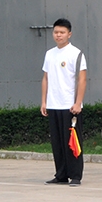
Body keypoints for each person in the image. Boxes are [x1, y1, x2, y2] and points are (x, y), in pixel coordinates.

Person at [41, 18, 87, 186]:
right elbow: (45, 78)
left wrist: (78, 103)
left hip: (70, 106)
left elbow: (82, 80)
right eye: (56, 32)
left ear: (69, 34)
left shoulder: (76, 53)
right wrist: (44, 101)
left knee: (72, 142)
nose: (58, 35)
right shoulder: (49, 54)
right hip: (54, 104)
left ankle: (75, 175)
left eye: (62, 32)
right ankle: (61, 174)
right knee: (57, 142)